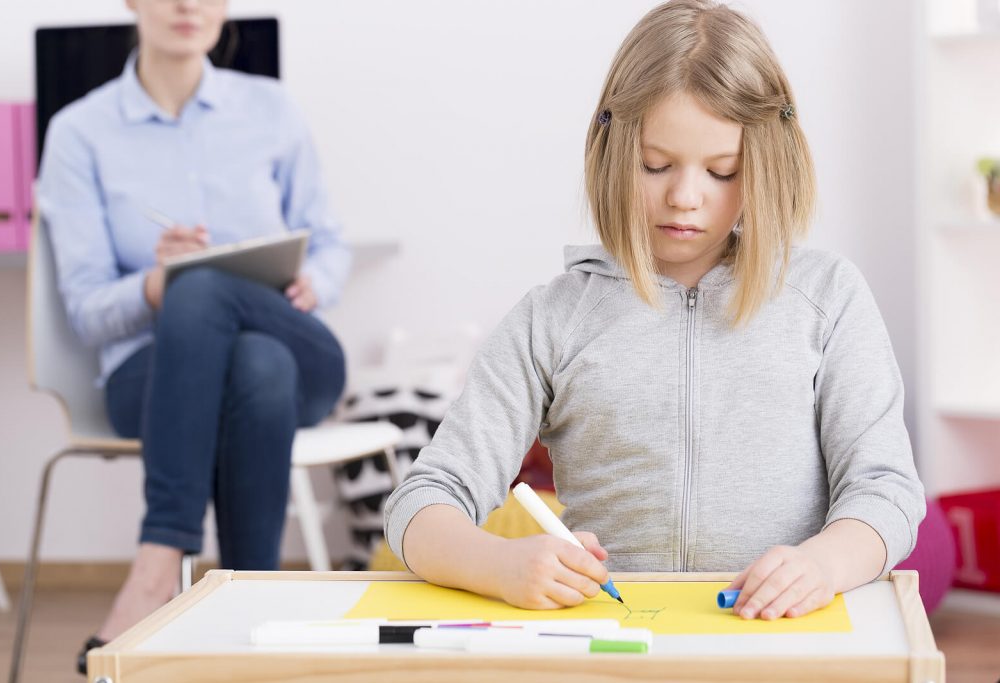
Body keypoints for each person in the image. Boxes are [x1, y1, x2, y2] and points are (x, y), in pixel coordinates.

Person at [384, 0, 925, 620]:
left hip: (781, 637)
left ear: (766, 165)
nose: (685, 197)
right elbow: (421, 502)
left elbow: (886, 489)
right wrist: (499, 565)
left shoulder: (828, 298)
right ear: (613, 151)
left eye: (723, 171)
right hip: (615, 637)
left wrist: (823, 564)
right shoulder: (553, 318)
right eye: (655, 165)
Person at [36, 0, 349, 669]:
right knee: (254, 360)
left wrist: (313, 282)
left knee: (211, 295)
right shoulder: (79, 132)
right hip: (151, 380)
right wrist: (157, 283)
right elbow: (87, 308)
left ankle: (160, 559)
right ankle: (251, 608)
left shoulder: (271, 109)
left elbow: (330, 245)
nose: (188, 5)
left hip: (304, 354)